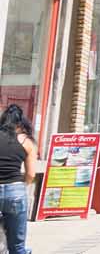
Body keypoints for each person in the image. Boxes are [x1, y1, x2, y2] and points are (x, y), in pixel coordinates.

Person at [0, 105, 37, 254]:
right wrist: (22, 186)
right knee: (17, 246)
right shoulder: (27, 142)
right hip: (15, 192)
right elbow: (31, 174)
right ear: (20, 123)